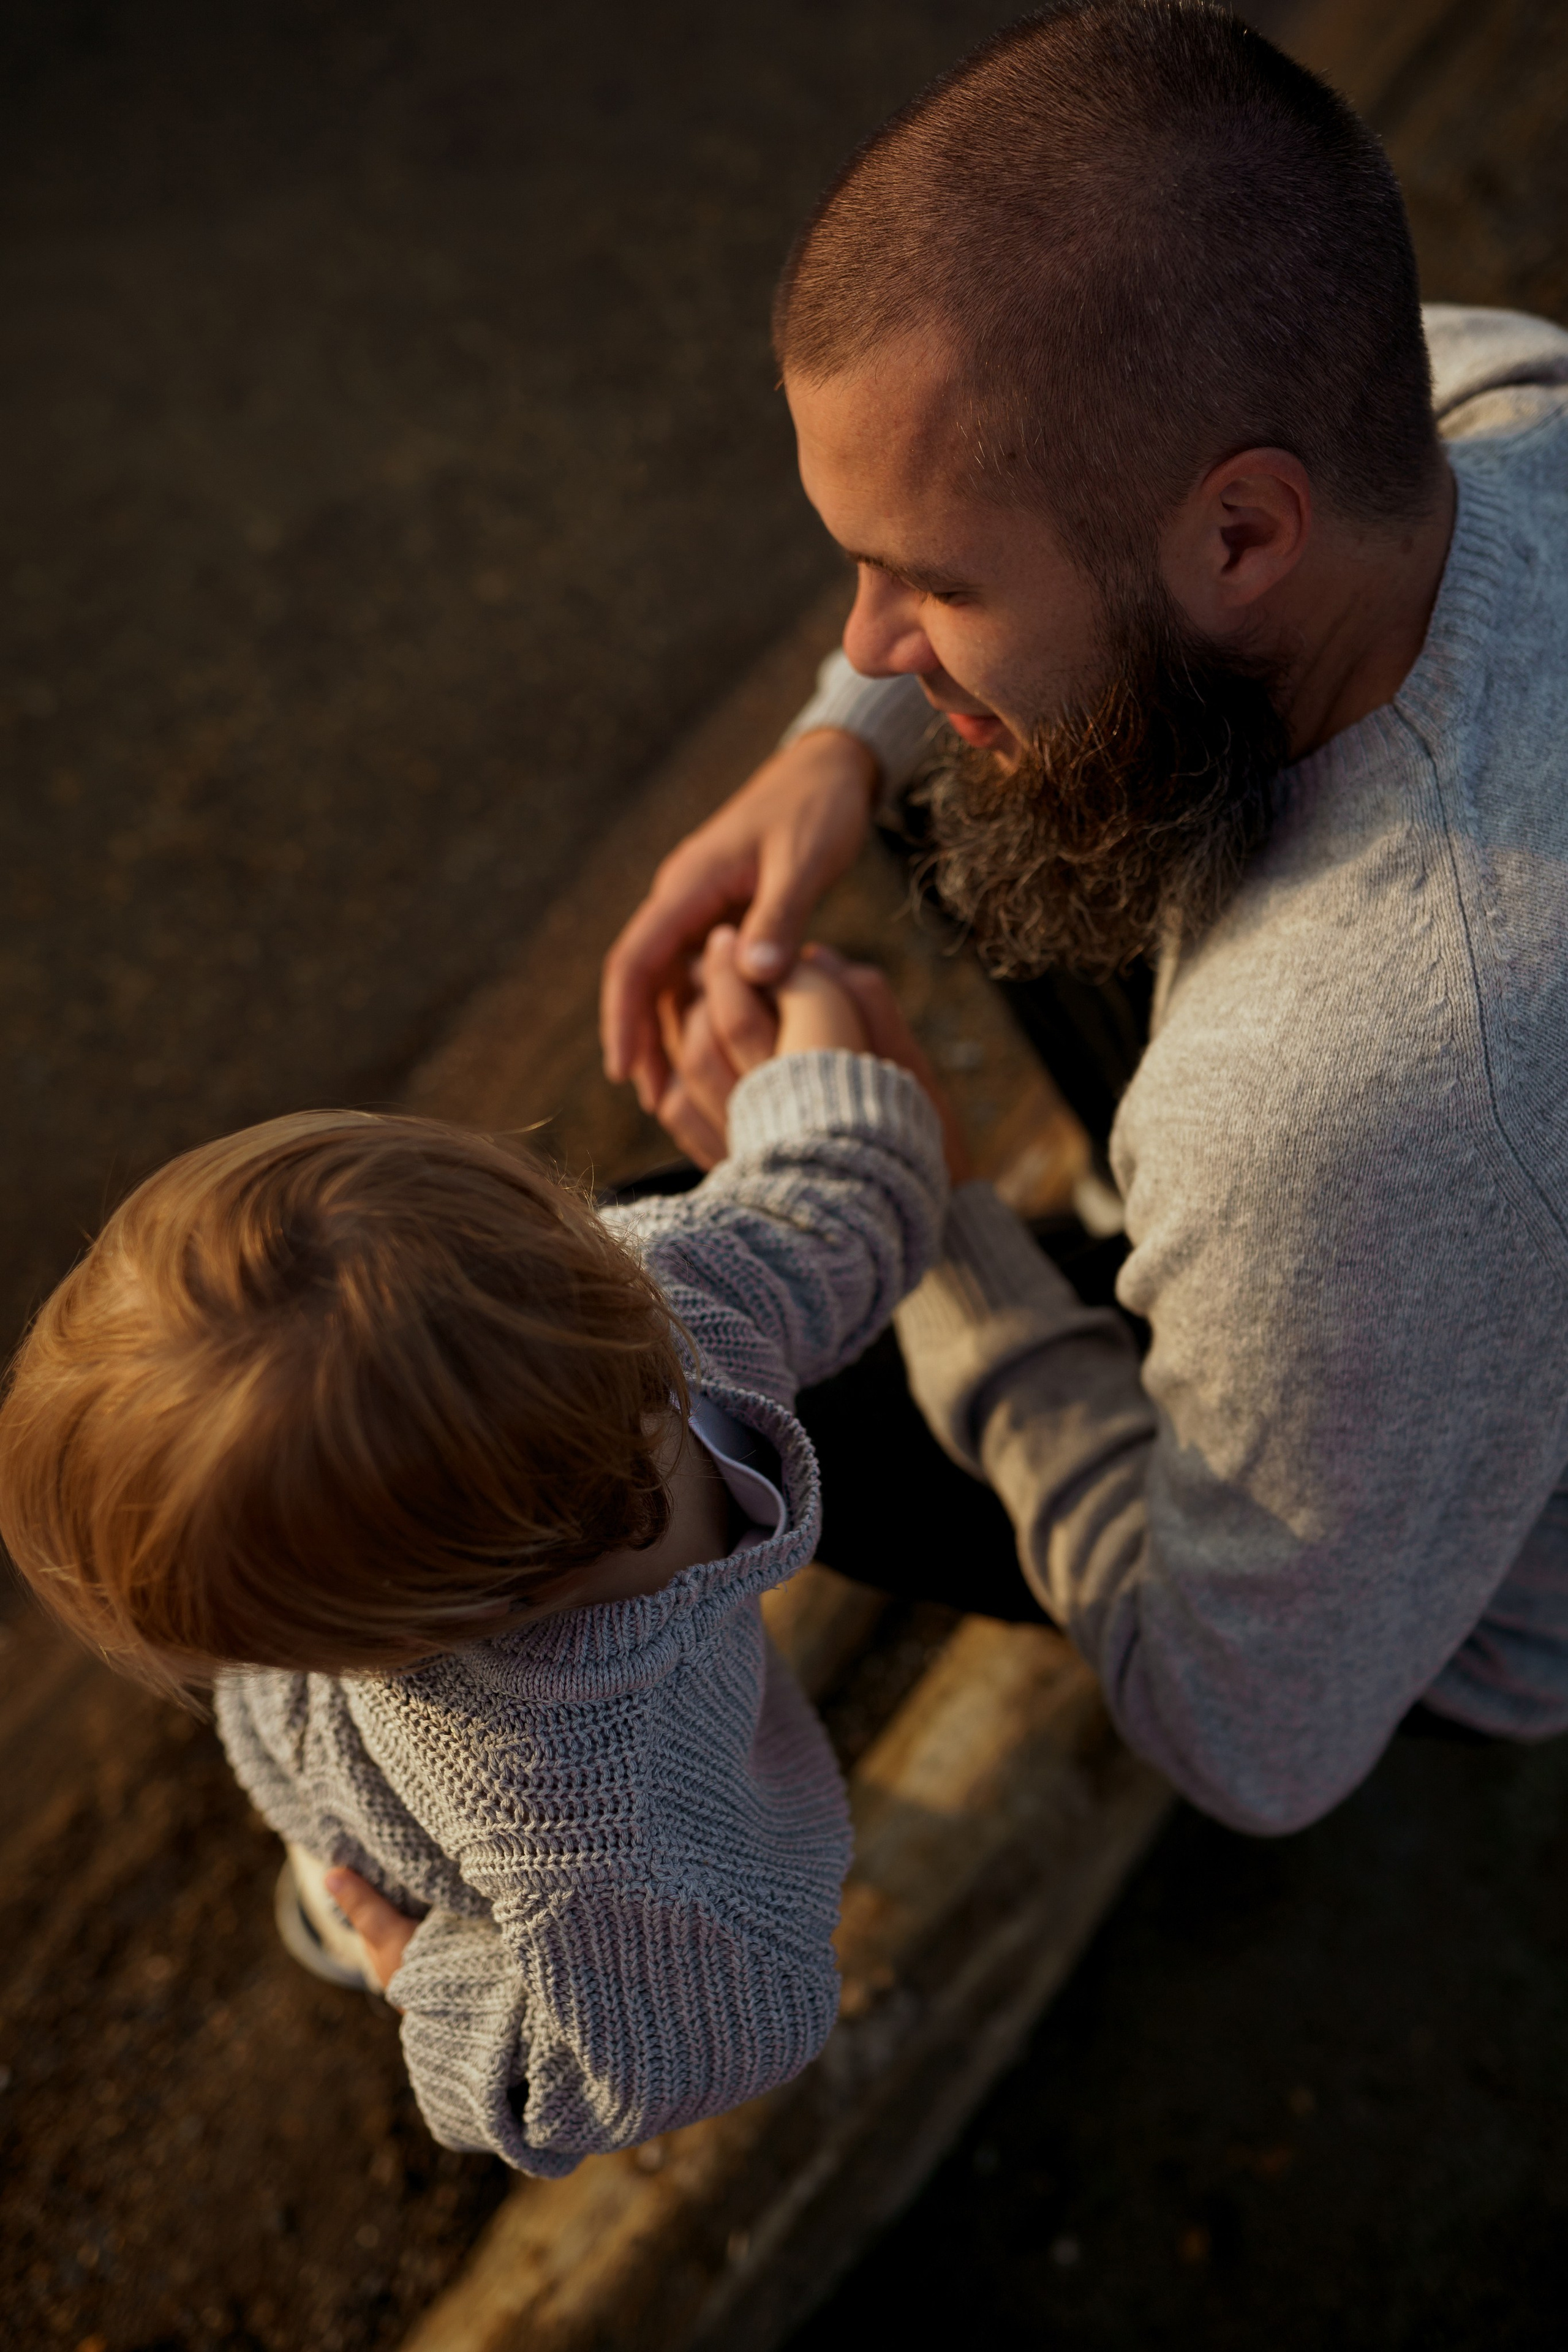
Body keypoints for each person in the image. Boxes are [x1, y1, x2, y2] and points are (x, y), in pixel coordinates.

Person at [600, 1, 1568, 1835]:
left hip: (1469, 1611)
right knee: (987, 791)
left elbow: (1251, 1738)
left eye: (933, 581)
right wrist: (832, 750)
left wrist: (899, 1203)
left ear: (1240, 535)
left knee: (639, 1298)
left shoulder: (1317, 1096)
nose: (872, 640)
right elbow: (1449, 356)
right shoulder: (1515, 419)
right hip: (1410, 1231)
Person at [0, 944, 956, 2174]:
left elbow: (643, 2058)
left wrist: (425, 1974)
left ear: (389, 1650)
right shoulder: (671, 1290)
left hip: (418, 1865)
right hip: (585, 1773)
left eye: (270, 1646)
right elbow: (849, 1190)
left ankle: (332, 1907)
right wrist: (815, 1037)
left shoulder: (567, 1825)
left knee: (342, 1873)